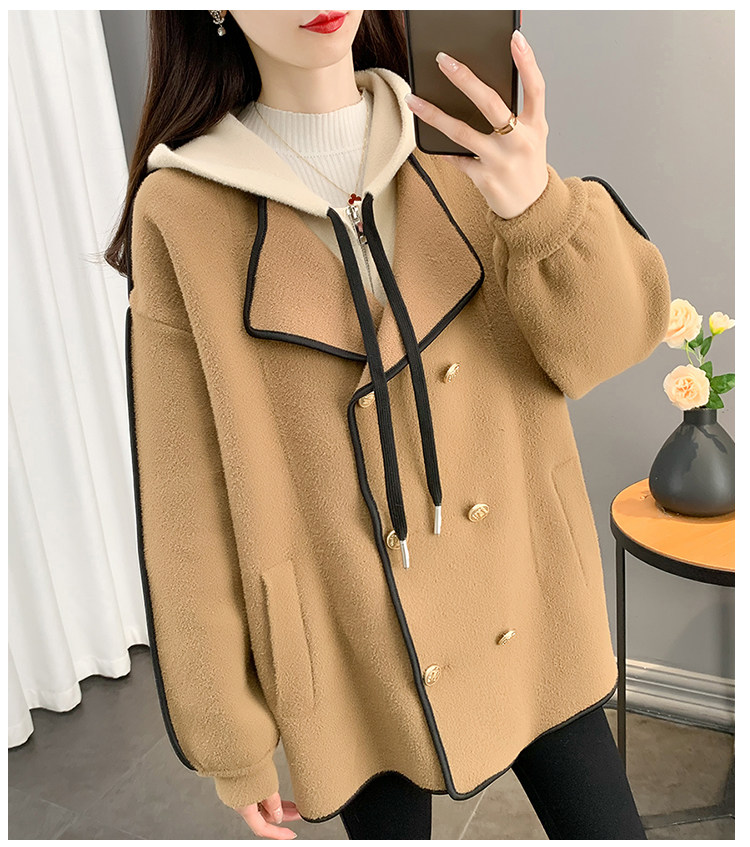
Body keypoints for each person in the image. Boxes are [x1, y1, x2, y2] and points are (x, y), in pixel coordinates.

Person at [105, 10, 671, 840]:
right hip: (350, 643)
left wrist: (538, 208)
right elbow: (185, 499)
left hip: (529, 590)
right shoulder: (184, 212)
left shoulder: (464, 139)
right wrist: (231, 740)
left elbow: (612, 343)